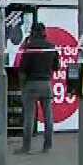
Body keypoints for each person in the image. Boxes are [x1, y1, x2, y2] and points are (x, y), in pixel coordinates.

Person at [17, 22, 57, 155]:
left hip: (31, 83)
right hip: (46, 83)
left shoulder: (29, 47)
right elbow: (56, 66)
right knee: (48, 116)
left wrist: (22, 86)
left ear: (32, 32)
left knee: (29, 116)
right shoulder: (51, 47)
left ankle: (26, 147)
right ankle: (48, 145)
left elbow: (23, 69)